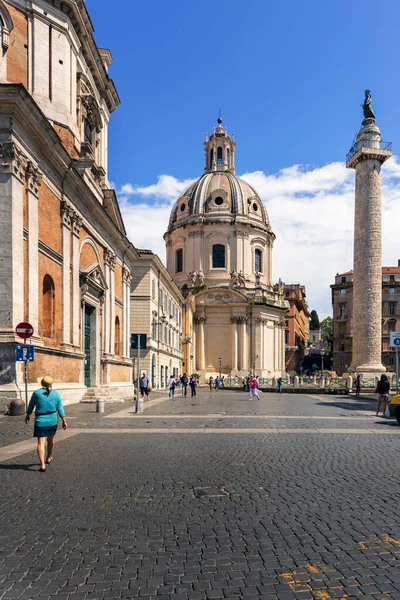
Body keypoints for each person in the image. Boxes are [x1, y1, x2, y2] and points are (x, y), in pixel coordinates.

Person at [25, 376, 67, 472]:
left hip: (40, 420)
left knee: (41, 442)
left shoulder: (36, 393)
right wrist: (64, 420)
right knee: (51, 440)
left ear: (41, 383)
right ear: (51, 384)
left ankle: (43, 465)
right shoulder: (56, 394)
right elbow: (60, 409)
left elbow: (31, 405)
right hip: (52, 420)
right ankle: (48, 457)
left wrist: (28, 415)